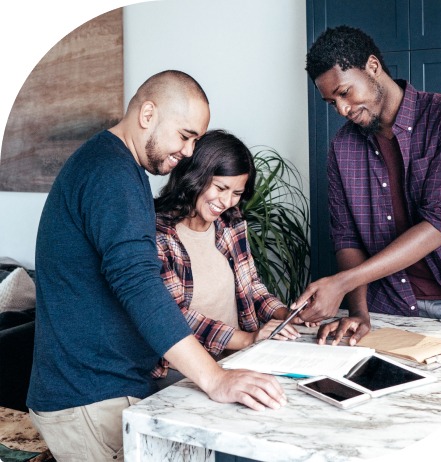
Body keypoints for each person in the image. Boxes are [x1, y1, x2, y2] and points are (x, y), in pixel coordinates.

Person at [27, 70, 287, 462]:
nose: (187, 152)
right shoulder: (111, 173)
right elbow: (140, 284)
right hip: (91, 398)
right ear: (148, 113)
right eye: (185, 136)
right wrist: (215, 377)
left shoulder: (113, 167)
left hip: (104, 390)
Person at [295, 25, 441, 346]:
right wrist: (359, 311)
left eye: (344, 93)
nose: (342, 110)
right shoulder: (342, 147)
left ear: (373, 68)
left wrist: (342, 283)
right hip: (386, 309)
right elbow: (347, 237)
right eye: (330, 103)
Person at [151, 129, 299, 382]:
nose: (227, 201)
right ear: (195, 175)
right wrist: (247, 339)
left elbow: (251, 286)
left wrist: (285, 315)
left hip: (238, 362)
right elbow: (173, 317)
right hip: (182, 375)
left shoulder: (231, 223)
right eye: (221, 187)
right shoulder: (156, 234)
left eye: (237, 193)